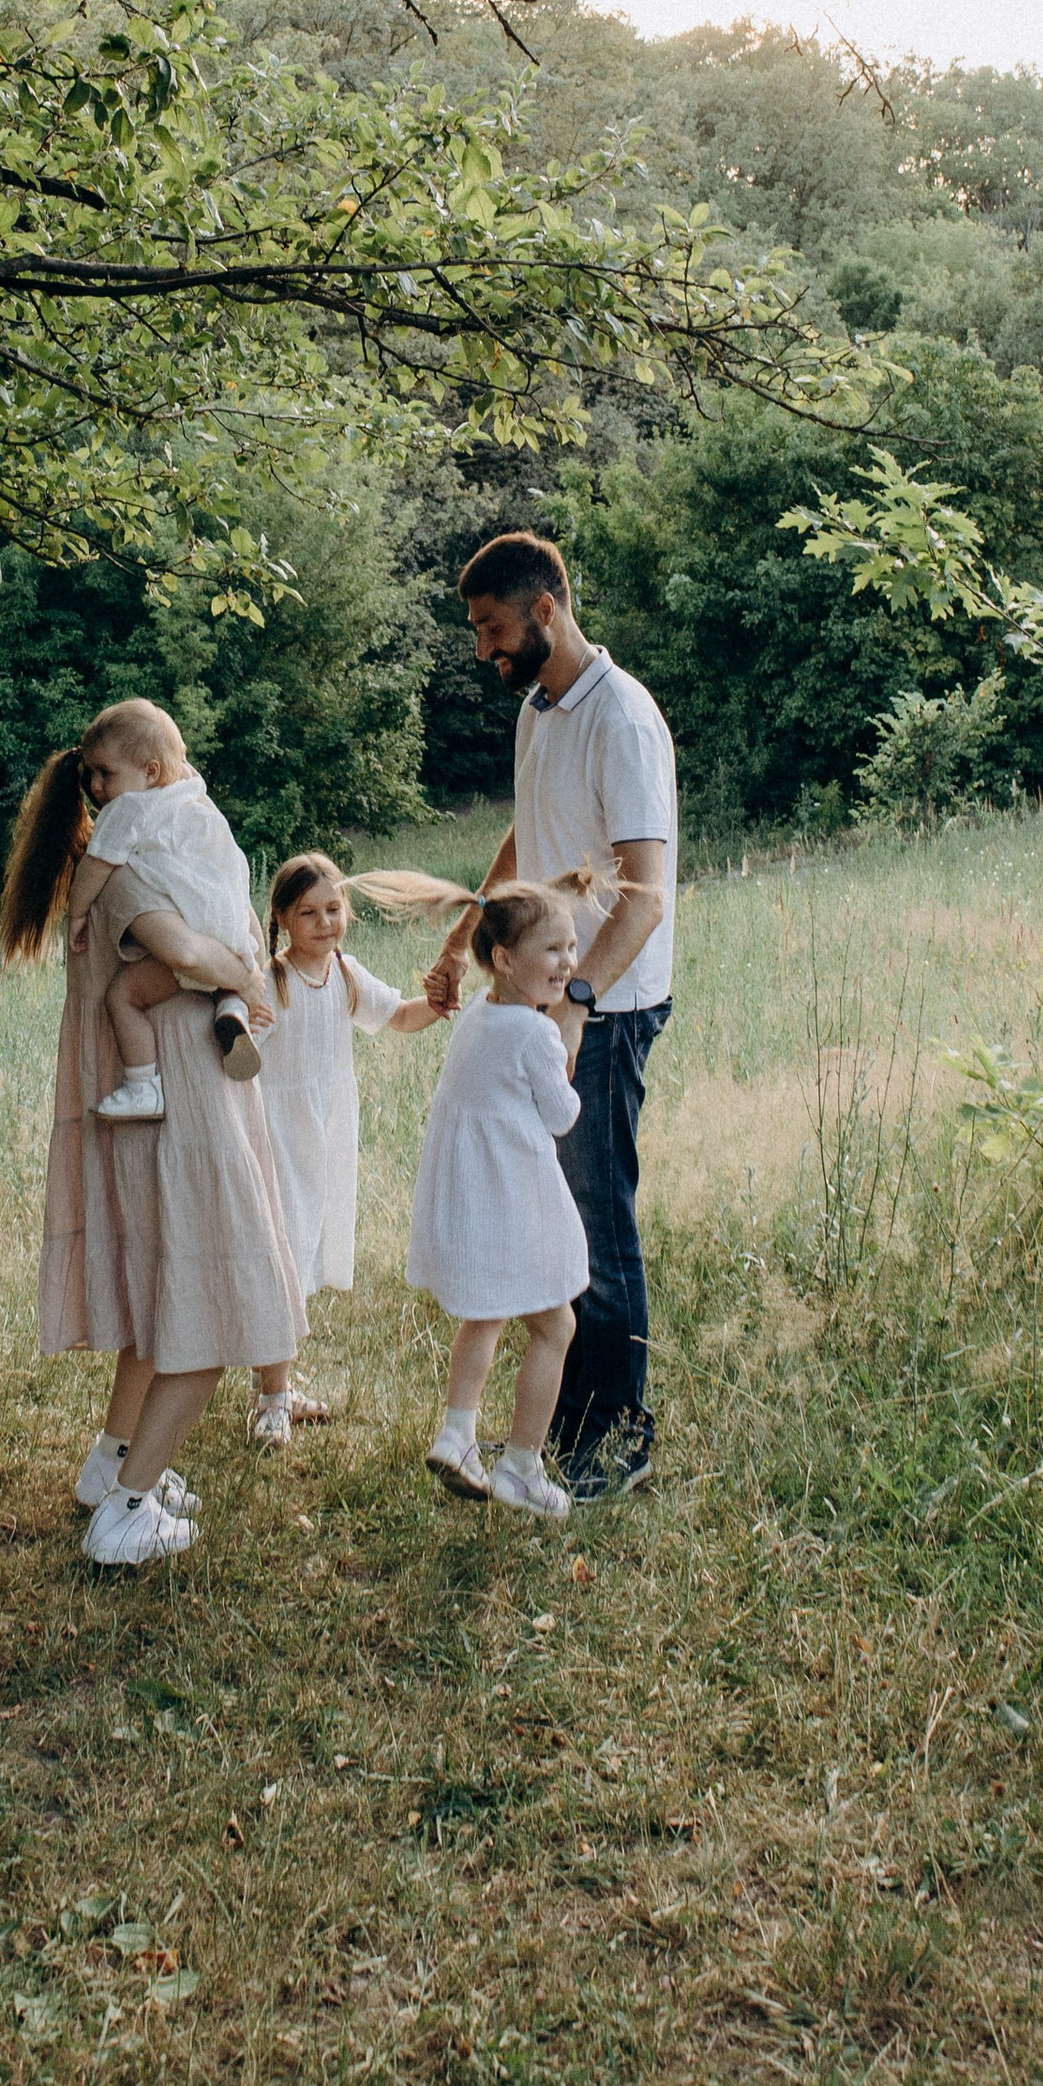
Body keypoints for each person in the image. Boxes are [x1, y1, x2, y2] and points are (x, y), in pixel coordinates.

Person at [2, 703, 305, 1569]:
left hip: (177, 1100)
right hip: (182, 1109)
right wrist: (250, 974)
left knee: (159, 1303)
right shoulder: (132, 872)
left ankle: (109, 1469)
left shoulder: (136, 857)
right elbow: (188, 952)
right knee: (212, 1310)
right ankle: (127, 1515)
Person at [424, 532, 676, 1496]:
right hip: (544, 1001)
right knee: (543, 1212)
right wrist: (462, 941)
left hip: (606, 1006)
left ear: (545, 610)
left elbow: (647, 895)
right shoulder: (538, 709)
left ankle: (615, 1442)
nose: (486, 651)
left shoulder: (624, 719)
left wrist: (576, 1003)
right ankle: (548, 1437)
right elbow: (531, 833)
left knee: (591, 1220)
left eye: (493, 630)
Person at [249, 852, 445, 1449]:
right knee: (280, 1258)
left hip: (325, 1134)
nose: (324, 922)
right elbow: (234, 1053)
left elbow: (402, 1017)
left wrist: (439, 1001)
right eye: (308, 912)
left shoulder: (346, 974)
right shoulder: (271, 981)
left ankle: (273, 1388)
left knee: (303, 1252)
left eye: (334, 908)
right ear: (282, 919)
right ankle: (272, 1402)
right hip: (278, 1135)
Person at [405, 880, 588, 1517]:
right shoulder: (538, 1036)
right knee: (557, 1325)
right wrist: (570, 1044)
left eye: (572, 947)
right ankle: (520, 1466)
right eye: (552, 950)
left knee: (483, 1316)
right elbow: (562, 1116)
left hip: (472, 1197)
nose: (568, 963)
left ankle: (457, 1436)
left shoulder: (481, 1014)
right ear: (505, 959)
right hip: (515, 1198)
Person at [66, 702, 271, 1117]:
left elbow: (95, 867)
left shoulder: (128, 809)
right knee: (225, 982)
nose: (96, 786)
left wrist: (76, 913)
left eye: (106, 772)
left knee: (122, 996)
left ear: (151, 772)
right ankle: (231, 1009)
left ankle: (143, 1086)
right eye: (91, 774)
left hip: (189, 928)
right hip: (232, 922)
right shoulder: (193, 793)